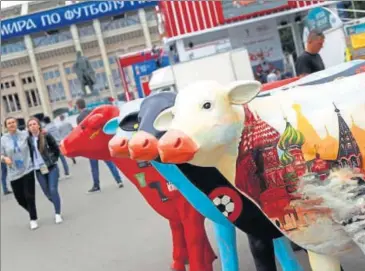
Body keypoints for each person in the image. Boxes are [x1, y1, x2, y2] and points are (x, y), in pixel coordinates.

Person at [75, 98, 124, 193]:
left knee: (94, 166)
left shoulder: (79, 118)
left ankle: (96, 185)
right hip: (100, 142)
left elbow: (81, 133)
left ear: (78, 106)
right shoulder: (93, 112)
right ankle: (118, 180)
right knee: (109, 162)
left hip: (91, 145)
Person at [1, 117, 39, 230]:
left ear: (16, 123)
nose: (11, 124)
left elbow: (36, 133)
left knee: (29, 196)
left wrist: (41, 131)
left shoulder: (25, 134)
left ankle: (33, 219)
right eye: (9, 123)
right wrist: (4, 159)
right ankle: (31, 211)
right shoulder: (3, 139)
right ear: (6, 126)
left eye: (13, 122)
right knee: (20, 199)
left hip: (28, 169)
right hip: (13, 173)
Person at [27, 117, 63, 224]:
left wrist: (53, 159)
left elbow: (56, 148)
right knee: (47, 193)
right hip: (38, 169)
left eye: (34, 124)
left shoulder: (45, 135)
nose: (32, 126)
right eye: (30, 125)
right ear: (28, 128)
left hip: (51, 167)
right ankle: (57, 202)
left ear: (38, 125)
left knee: (53, 189)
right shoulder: (28, 140)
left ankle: (57, 213)